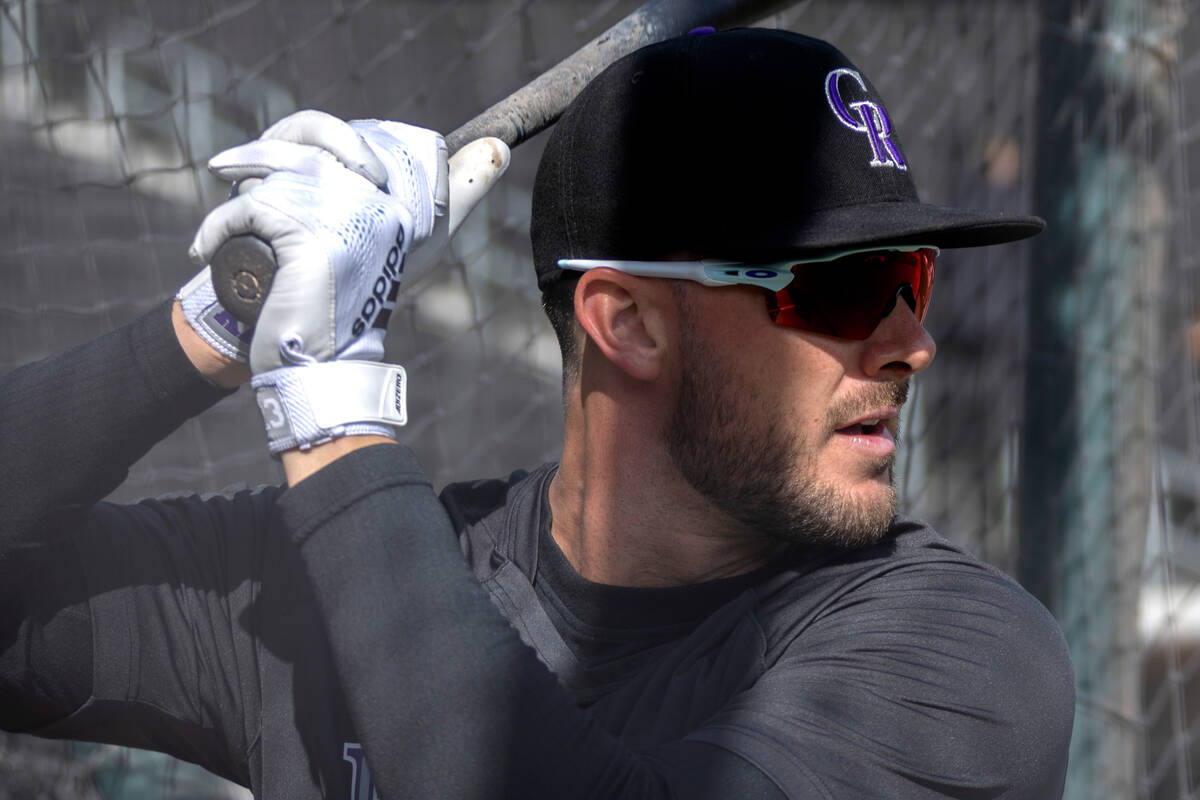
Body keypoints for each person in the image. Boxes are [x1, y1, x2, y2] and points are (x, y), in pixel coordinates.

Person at [0, 27, 1074, 799]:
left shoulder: (958, 658)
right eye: (845, 286)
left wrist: (326, 395)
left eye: (914, 279)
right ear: (629, 322)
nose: (911, 342)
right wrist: (214, 324)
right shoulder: (338, 581)